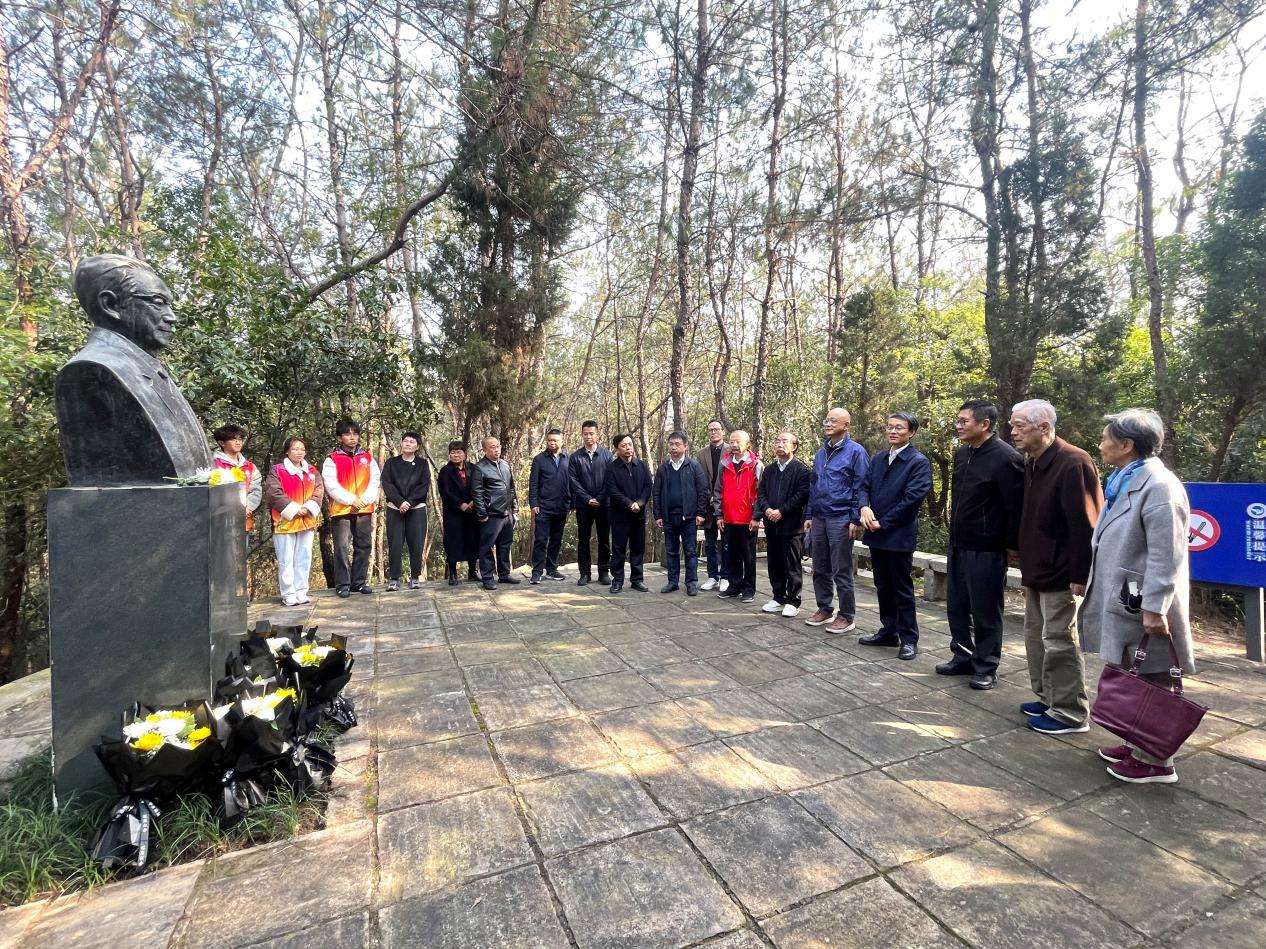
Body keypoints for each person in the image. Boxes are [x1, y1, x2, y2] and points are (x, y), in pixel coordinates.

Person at [1081, 409, 1194, 784]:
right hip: (1127, 596)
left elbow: (1167, 553)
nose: (1101, 444)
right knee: (1134, 673)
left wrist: (1155, 607)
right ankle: (1136, 743)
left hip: (1145, 600)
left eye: (1105, 438)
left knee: (1155, 677)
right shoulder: (1125, 479)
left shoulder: (1160, 486)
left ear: (1126, 444)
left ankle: (1158, 761)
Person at [1010, 400, 1103, 735]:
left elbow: (1086, 525)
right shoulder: (1034, 461)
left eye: (1020, 425)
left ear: (1044, 426)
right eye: (1012, 425)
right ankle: (1049, 697)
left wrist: (1080, 575)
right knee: (1036, 636)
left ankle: (1070, 712)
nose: (1013, 432)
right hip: (1037, 567)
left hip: (1062, 572)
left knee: (1059, 639)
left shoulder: (1074, 461)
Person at [936, 400, 1025, 690]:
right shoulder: (963, 454)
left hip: (987, 547)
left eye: (964, 421)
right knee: (957, 606)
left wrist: (1012, 546)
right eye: (958, 421)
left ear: (984, 424)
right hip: (959, 543)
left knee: (986, 610)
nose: (958, 426)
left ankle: (986, 665)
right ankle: (962, 656)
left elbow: (1015, 508)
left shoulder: (1006, 458)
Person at [857, 413, 933, 659]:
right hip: (875, 532)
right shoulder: (879, 458)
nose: (893, 431)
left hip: (898, 535)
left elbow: (912, 499)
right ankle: (889, 631)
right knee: (882, 584)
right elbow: (863, 486)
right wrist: (864, 507)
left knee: (901, 588)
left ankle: (909, 638)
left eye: (899, 428)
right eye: (890, 427)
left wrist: (884, 522)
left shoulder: (917, 462)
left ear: (911, 432)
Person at [803, 408, 870, 632]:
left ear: (846, 425)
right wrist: (809, 514)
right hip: (819, 517)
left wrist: (855, 519)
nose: (828, 424)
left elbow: (861, 486)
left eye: (833, 420)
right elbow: (814, 485)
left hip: (841, 517)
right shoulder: (821, 453)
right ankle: (824, 608)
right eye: (826, 420)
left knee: (841, 568)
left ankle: (847, 615)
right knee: (819, 566)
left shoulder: (856, 452)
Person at [322, 418, 381, 598]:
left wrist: (365, 499)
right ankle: (342, 584)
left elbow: (375, 480)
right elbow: (331, 485)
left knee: (364, 545)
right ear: (340, 437)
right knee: (341, 547)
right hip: (341, 510)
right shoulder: (332, 459)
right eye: (347, 434)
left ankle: (358, 582)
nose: (352, 437)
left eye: (355, 434)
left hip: (364, 508)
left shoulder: (367, 458)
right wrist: (351, 500)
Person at [755, 431, 810, 617]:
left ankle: (793, 600)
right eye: (777, 441)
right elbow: (761, 493)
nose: (779, 444)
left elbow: (801, 495)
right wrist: (767, 509)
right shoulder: (769, 470)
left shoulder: (801, 470)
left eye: (784, 441)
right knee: (774, 562)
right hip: (771, 524)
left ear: (794, 446)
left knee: (792, 564)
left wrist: (782, 511)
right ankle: (778, 597)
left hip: (792, 526)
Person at [264, 436, 323, 607]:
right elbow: (273, 492)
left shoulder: (312, 471)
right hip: (284, 521)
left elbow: (319, 490)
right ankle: (288, 593)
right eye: (295, 449)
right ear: (287, 451)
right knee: (286, 558)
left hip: (307, 520)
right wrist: (295, 509)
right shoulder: (277, 470)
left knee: (304, 556)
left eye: (302, 449)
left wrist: (308, 508)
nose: (299, 452)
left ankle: (301, 591)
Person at [653, 431, 710, 596]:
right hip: (669, 517)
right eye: (671, 444)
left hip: (689, 517)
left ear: (685, 446)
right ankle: (673, 582)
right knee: (671, 551)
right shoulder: (663, 468)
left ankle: (691, 583)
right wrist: (658, 515)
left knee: (690, 551)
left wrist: (701, 513)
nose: (673, 447)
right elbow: (656, 493)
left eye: (677, 444)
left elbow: (703, 491)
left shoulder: (694, 466)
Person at [381, 431, 431, 591]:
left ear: (417, 446)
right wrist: (399, 502)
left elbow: (424, 486)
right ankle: (394, 578)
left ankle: (415, 577)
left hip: (416, 509)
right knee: (395, 544)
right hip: (395, 508)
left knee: (416, 544)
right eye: (406, 441)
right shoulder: (391, 463)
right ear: (401, 443)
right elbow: (387, 483)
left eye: (412, 442)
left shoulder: (422, 464)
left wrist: (409, 502)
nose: (408, 444)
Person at [717, 430, 762, 604]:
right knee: (731, 555)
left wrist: (756, 516)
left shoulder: (756, 465)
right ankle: (734, 586)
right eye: (732, 442)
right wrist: (719, 514)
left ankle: (749, 589)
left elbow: (761, 493)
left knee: (748, 556)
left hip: (748, 519)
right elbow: (718, 491)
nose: (734, 445)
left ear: (747, 445)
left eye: (738, 442)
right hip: (728, 518)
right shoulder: (725, 464)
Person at [471, 436, 522, 590]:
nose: (496, 449)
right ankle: (487, 577)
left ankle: (504, 574)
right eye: (492, 447)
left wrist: (514, 509)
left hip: (507, 513)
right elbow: (477, 493)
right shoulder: (480, 468)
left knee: (505, 545)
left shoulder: (505, 464)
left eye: (498, 446)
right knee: (487, 547)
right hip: (491, 514)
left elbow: (511, 488)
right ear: (485, 450)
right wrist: (482, 514)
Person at [604, 433, 651, 594]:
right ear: (617, 449)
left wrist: (640, 503)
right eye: (623, 445)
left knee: (638, 548)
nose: (628, 448)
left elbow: (648, 487)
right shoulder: (611, 468)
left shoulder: (641, 465)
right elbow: (612, 490)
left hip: (638, 515)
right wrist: (629, 503)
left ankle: (637, 580)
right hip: (620, 515)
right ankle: (617, 580)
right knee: (618, 549)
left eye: (630, 444)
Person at [570, 420, 613, 586]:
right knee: (583, 539)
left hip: (604, 505)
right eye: (585, 434)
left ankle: (604, 572)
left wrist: (600, 498)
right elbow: (573, 481)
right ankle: (584, 573)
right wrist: (587, 498)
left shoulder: (607, 455)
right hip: (584, 505)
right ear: (582, 435)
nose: (589, 437)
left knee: (604, 539)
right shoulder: (575, 457)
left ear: (597, 434)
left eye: (591, 433)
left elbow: (610, 479)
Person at [529, 428, 571, 584]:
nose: (552, 443)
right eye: (549, 440)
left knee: (556, 540)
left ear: (562, 441)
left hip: (562, 506)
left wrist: (571, 503)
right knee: (541, 540)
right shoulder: (539, 459)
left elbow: (572, 482)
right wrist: (534, 503)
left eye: (555, 440)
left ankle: (552, 569)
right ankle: (537, 572)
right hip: (543, 507)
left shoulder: (568, 458)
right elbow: (533, 483)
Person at [437, 440, 480, 585]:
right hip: (453, 512)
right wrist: (460, 504)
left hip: (472, 511)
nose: (456, 455)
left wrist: (473, 502)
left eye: (459, 452)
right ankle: (453, 574)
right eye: (453, 452)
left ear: (465, 454)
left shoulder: (473, 468)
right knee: (453, 542)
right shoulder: (445, 471)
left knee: (473, 539)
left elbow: (479, 486)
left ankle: (472, 572)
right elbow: (445, 491)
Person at [695, 419, 728, 590]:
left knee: (727, 542)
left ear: (723, 431)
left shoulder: (731, 450)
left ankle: (726, 576)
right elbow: (700, 480)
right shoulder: (702, 454)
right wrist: (707, 498)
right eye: (710, 430)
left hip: (726, 503)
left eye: (716, 429)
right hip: (708, 504)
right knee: (710, 542)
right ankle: (712, 576)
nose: (713, 432)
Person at [212, 424, 262, 533]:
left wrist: (247, 507)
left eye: (240, 439)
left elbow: (256, 490)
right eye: (233, 439)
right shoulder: (213, 464)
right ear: (222, 443)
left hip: (244, 521)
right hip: (220, 522)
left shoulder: (250, 467)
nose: (238, 442)